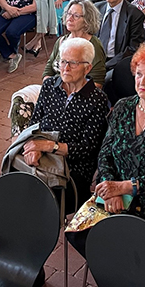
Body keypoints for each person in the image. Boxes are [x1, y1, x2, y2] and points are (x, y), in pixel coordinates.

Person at [66, 44, 145, 255]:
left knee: (116, 241)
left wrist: (125, 187)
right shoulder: (123, 107)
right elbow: (105, 153)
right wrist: (109, 187)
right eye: (138, 74)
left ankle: (123, 272)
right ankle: (112, 272)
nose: (141, 82)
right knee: (78, 233)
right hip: (112, 192)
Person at [22, 38, 110, 204]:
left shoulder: (97, 100)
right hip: (42, 155)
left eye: (73, 63)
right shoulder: (49, 86)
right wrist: (35, 147)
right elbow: (34, 123)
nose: (66, 68)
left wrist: (50, 147)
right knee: (16, 183)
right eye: (63, 62)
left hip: (73, 168)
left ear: (87, 68)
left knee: (36, 197)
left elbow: (88, 149)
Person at [43, 0, 106, 87]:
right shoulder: (61, 41)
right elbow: (49, 69)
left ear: (87, 21)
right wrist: (49, 88)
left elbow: (97, 82)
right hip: (55, 90)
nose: (70, 18)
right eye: (69, 14)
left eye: (76, 16)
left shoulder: (93, 45)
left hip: (79, 95)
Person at [96, 0, 145, 71]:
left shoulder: (134, 15)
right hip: (93, 61)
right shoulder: (96, 9)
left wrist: (106, 66)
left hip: (116, 64)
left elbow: (133, 49)